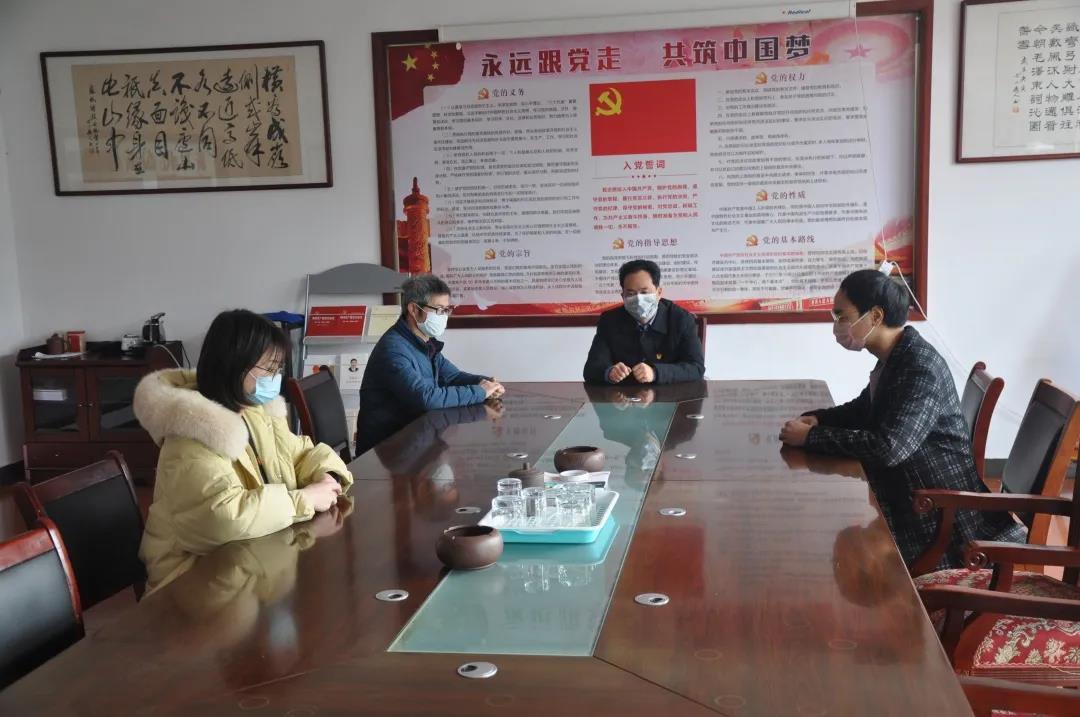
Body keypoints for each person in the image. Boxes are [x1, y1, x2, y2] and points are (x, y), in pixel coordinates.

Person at [779, 269, 1025, 569]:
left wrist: (811, 437)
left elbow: (889, 449)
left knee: (835, 553)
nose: (837, 325)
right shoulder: (897, 357)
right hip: (914, 499)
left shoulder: (919, 367)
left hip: (940, 522)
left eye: (842, 316)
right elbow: (863, 409)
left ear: (875, 316)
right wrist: (818, 419)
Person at [134, 309, 354, 593]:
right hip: (193, 583)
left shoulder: (252, 410)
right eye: (269, 369)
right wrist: (305, 500)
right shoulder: (189, 434)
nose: (275, 378)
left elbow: (299, 452)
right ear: (234, 366)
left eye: (278, 369)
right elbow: (223, 518)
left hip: (251, 566)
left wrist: (326, 475)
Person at [356, 274, 504, 455]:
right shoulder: (393, 350)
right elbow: (426, 398)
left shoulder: (424, 342)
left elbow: (452, 377)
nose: (444, 316)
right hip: (386, 451)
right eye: (439, 310)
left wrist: (485, 383)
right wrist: (480, 391)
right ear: (413, 309)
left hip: (415, 441)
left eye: (447, 310)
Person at [583, 259, 705, 385]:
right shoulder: (609, 320)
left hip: (670, 393)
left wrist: (655, 373)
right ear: (623, 296)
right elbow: (591, 369)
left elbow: (696, 368)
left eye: (644, 292)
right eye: (631, 294)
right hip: (624, 394)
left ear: (658, 292)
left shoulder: (681, 319)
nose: (638, 299)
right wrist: (609, 372)